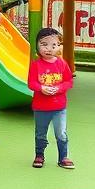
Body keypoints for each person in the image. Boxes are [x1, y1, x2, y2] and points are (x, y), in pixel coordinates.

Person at [28, 27, 74, 168]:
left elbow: (69, 81)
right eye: (44, 44)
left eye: (54, 45)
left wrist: (58, 88)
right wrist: (42, 88)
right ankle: (39, 155)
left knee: (61, 133)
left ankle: (63, 157)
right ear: (37, 45)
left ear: (58, 47)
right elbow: (31, 83)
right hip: (41, 107)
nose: (49, 48)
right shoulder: (35, 65)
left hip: (59, 107)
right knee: (41, 134)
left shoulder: (62, 64)